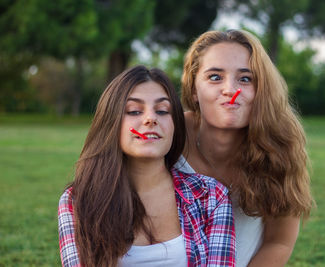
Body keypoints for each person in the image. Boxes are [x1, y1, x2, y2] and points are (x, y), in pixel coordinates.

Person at [58, 65, 236, 267]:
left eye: (162, 111)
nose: (151, 118)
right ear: (110, 123)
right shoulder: (77, 201)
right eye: (134, 111)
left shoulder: (211, 196)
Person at [174, 29, 314, 267]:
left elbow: (279, 242)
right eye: (215, 77)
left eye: (245, 79)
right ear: (194, 90)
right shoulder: (170, 135)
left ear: (262, 90)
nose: (230, 89)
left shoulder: (280, 147)